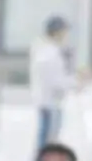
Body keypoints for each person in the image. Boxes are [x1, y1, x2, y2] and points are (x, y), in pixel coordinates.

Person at [32, 16, 81, 150]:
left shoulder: (48, 51)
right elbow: (56, 81)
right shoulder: (49, 53)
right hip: (50, 103)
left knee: (48, 139)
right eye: (64, 31)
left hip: (50, 103)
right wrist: (76, 83)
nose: (66, 35)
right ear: (57, 32)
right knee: (49, 140)